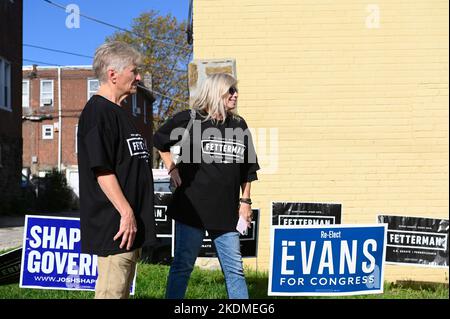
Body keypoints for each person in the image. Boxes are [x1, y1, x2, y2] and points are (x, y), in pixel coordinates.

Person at [153, 73, 260, 299]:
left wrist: (245, 202)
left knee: (235, 271)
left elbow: (248, 168)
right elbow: (159, 140)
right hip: (192, 209)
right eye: (230, 90)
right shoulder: (191, 119)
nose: (236, 95)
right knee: (183, 267)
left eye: (235, 90)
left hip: (226, 213)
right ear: (216, 92)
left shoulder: (239, 125)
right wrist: (172, 168)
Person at [77, 41, 156, 299]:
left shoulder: (121, 113)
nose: (139, 77)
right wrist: (126, 212)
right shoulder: (98, 112)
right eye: (134, 71)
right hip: (116, 228)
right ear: (113, 74)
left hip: (129, 229)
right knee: (111, 294)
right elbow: (102, 170)